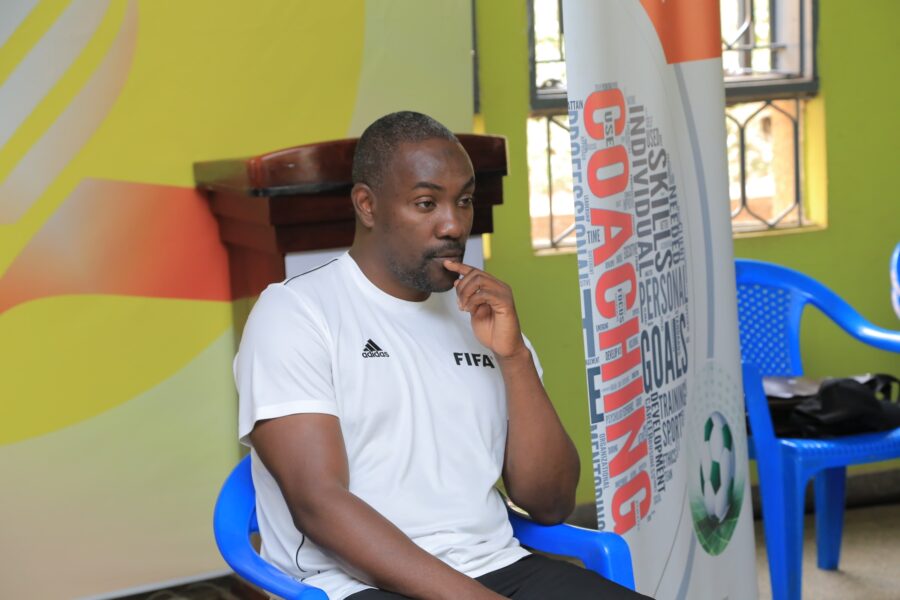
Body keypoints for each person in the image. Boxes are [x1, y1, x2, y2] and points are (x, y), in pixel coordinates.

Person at [235, 111, 650, 600]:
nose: (453, 225)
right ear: (367, 205)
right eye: (426, 203)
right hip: (348, 584)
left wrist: (514, 358)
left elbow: (551, 502)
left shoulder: (481, 319)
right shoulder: (296, 313)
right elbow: (319, 505)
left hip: (497, 567)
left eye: (465, 201)